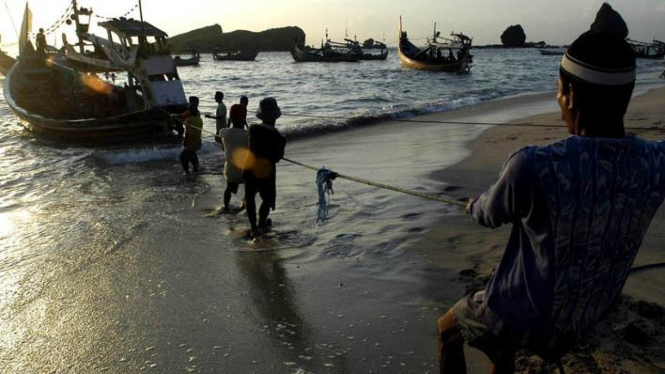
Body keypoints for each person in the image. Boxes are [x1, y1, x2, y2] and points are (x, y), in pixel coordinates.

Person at [437, 4, 665, 374]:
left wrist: (472, 205)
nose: (559, 105)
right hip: (590, 313)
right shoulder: (655, 162)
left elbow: (488, 214)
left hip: (530, 318)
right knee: (500, 339)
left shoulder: (533, 166)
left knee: (448, 328)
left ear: (571, 93)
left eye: (559, 92)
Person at [244, 97, 286, 237]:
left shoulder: (253, 129)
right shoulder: (279, 138)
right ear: (275, 116)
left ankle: (253, 227)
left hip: (250, 169)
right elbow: (277, 158)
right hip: (267, 173)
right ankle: (261, 223)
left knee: (250, 198)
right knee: (267, 199)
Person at [218, 104, 249, 211]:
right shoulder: (247, 135)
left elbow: (221, 132)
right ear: (243, 119)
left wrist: (229, 123)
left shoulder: (225, 132)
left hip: (230, 171)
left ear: (230, 118)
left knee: (228, 188)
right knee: (249, 189)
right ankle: (246, 203)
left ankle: (226, 206)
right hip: (244, 172)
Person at [177, 96, 203, 174]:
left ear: (190, 111)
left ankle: (187, 172)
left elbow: (187, 132)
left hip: (191, 143)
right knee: (192, 154)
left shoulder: (189, 120)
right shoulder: (199, 119)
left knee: (182, 157)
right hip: (198, 141)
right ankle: (196, 168)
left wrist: (185, 142)